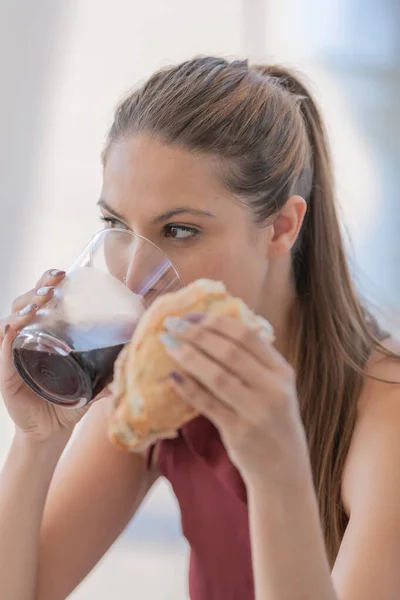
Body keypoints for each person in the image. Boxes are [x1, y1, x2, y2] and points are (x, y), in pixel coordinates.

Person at [0, 56, 399, 600]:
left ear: (282, 227)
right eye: (116, 225)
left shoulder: (385, 414)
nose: (134, 277)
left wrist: (278, 471)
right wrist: (36, 442)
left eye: (179, 230)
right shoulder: (155, 386)